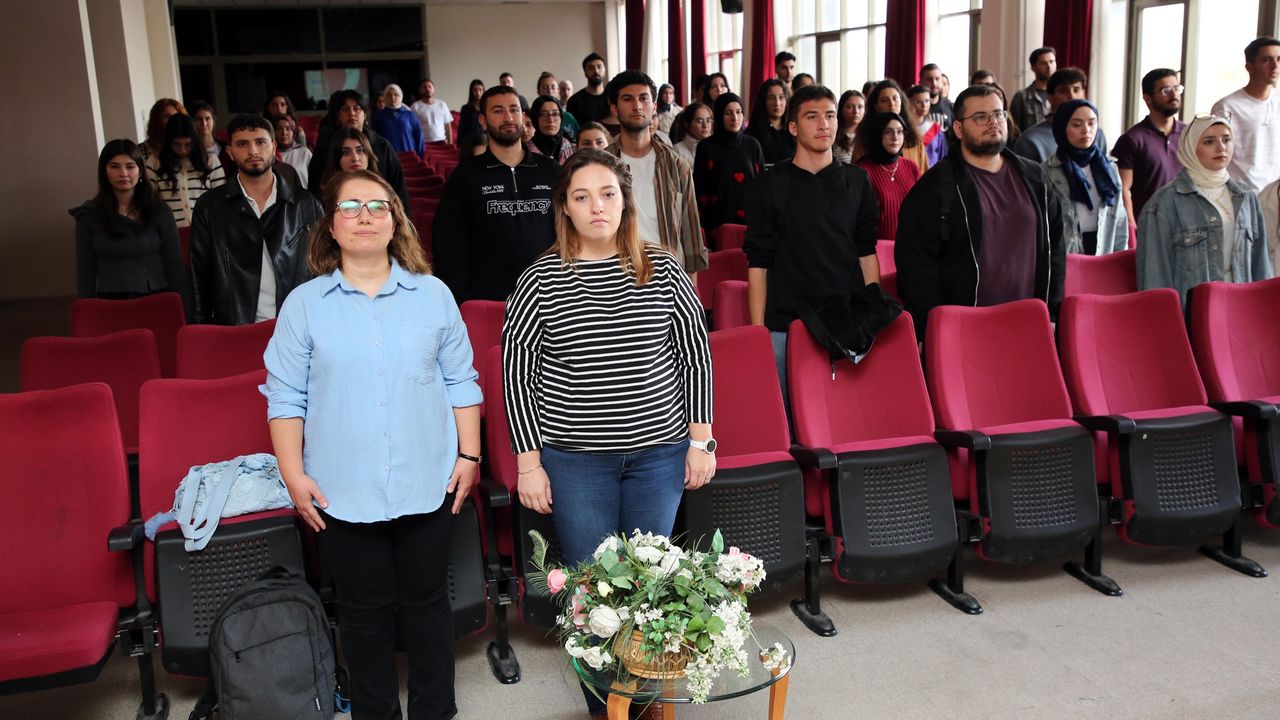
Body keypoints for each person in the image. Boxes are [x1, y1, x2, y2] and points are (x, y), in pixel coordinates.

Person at [501, 150, 714, 720]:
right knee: (593, 591)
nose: (597, 206)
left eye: (608, 194)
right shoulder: (540, 278)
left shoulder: (663, 267)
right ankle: (606, 709)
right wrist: (529, 464)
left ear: (625, 202)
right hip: (576, 463)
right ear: (565, 209)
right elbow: (517, 375)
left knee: (650, 585)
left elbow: (695, 357)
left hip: (659, 456)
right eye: (582, 196)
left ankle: (644, 702)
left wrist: (701, 442)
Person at [264, 169, 480, 720]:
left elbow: (462, 381)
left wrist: (470, 455)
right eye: (350, 207)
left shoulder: (433, 295)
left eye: (378, 206)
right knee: (362, 614)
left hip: (427, 480)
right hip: (341, 489)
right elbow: (285, 397)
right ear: (331, 226)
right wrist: (293, 475)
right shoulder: (304, 305)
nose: (365, 217)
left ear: (395, 221)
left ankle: (435, 711)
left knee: (428, 606)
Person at [895, 84, 1066, 339]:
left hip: (1029, 322)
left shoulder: (1034, 177)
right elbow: (916, 265)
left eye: (998, 114)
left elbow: (1056, 249)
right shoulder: (935, 187)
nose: (993, 122)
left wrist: (1052, 313)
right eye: (980, 117)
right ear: (958, 129)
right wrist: (929, 328)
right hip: (964, 327)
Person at [745, 84, 880, 402]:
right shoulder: (769, 185)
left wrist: (871, 316)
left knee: (846, 412)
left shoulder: (857, 181)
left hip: (846, 321)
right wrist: (758, 331)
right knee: (788, 415)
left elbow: (867, 254)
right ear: (793, 127)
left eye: (830, 116)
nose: (824, 124)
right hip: (787, 324)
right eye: (812, 116)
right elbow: (758, 264)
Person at [190, 114, 324, 325]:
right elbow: (199, 274)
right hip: (235, 326)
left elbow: (323, 269)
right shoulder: (209, 207)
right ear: (230, 152)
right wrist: (201, 328)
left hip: (296, 324)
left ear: (273, 146)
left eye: (260, 142)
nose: (253, 151)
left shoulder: (305, 204)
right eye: (242, 144)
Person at [432, 86, 559, 303]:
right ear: (483, 121)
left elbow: (572, 234)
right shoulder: (465, 176)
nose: (508, 117)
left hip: (549, 296)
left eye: (514, 110)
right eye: (498, 111)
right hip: (488, 301)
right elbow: (449, 245)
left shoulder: (551, 171)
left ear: (523, 116)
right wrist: (461, 302)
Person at [1138, 115, 1271, 304]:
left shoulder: (1247, 198)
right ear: (1191, 148)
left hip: (1242, 308)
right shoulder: (1163, 204)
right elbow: (1155, 279)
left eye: (1226, 139)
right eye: (1209, 142)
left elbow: (1261, 267)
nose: (1221, 148)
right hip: (1193, 312)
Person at [603, 70, 707, 279]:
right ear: (614, 108)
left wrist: (690, 289)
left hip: (667, 276)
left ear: (654, 106)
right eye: (628, 99)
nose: (637, 106)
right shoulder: (601, 165)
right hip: (615, 275)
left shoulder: (676, 165)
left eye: (644, 98)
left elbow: (691, 237)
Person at [71, 139, 188, 312]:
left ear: (140, 171)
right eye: (114, 166)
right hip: (111, 302)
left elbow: (174, 265)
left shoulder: (159, 211)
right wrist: (88, 312)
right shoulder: (89, 215)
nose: (123, 173)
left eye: (130, 166)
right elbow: (85, 272)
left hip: (157, 297)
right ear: (104, 172)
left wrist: (185, 309)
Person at [1042, 99, 1127, 256]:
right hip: (1064, 255)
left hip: (1103, 250)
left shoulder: (1110, 168)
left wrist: (1120, 257)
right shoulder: (1047, 171)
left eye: (1092, 123)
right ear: (1062, 128)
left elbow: (1119, 221)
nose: (1086, 130)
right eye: (1076, 125)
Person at [307, 90, 410, 210]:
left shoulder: (382, 146)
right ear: (338, 115)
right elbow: (315, 189)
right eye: (345, 109)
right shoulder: (326, 146)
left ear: (365, 114)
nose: (351, 113)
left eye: (356, 109)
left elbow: (398, 189)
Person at [1112, 69, 1186, 230]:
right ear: (1148, 98)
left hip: (1184, 226)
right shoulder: (1131, 139)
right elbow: (1123, 189)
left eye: (1177, 88)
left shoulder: (1189, 135)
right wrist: (1132, 228)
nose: (1174, 94)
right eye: (1166, 90)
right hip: (1147, 228)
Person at [1211, 37, 1280, 192]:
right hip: (1240, 196)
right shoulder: (1226, 106)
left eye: (1279, 59)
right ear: (1250, 66)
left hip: (1275, 198)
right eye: (1267, 60)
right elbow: (1214, 156)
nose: (1275, 66)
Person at [693, 92, 765, 231]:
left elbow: (762, 184)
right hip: (717, 221)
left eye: (738, 112)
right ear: (719, 115)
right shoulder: (706, 147)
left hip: (751, 220)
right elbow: (700, 189)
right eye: (728, 113)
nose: (735, 118)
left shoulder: (752, 145)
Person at [146, 113, 227, 228]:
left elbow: (220, 198)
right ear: (168, 142)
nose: (183, 150)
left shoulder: (210, 160)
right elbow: (149, 198)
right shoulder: (155, 162)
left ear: (195, 141)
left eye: (188, 145)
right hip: (170, 229)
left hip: (206, 228)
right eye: (177, 145)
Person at [1012, 67, 1108, 163]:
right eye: (1064, 91)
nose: (1072, 96)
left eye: (1076, 90)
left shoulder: (1096, 134)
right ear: (1050, 98)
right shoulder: (1030, 141)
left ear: (1084, 94)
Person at [855, 112, 921, 240]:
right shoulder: (862, 171)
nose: (895, 138)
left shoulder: (911, 167)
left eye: (900, 132)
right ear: (877, 135)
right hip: (876, 247)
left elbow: (922, 209)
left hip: (911, 245)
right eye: (888, 132)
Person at [862, 80, 929, 171]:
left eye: (895, 98)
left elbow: (924, 171)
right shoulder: (865, 137)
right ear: (876, 106)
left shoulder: (913, 137)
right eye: (884, 100)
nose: (891, 104)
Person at [746, 79, 796, 166]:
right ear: (763, 101)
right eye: (771, 98)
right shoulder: (753, 134)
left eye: (781, 97)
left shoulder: (794, 130)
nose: (777, 103)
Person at [1009, 47, 1056, 132]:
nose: (1049, 66)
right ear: (1033, 67)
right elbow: (1014, 130)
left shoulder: (1061, 94)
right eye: (1043, 63)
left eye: (1051, 62)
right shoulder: (1021, 97)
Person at [371, 84, 425, 157]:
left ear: (401, 96)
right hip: (387, 156)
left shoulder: (410, 115)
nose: (392, 97)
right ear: (385, 97)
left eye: (396, 94)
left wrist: (420, 155)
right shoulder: (378, 115)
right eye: (389, 95)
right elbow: (374, 138)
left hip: (409, 155)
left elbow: (418, 136)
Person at [906, 84, 948, 167]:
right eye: (919, 102)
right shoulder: (904, 129)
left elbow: (942, 156)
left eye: (927, 101)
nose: (924, 105)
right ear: (909, 102)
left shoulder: (935, 129)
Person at [529, 96, 574, 165]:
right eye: (544, 114)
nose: (551, 120)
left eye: (555, 114)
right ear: (535, 119)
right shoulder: (526, 151)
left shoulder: (571, 148)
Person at [567, 53, 611, 123]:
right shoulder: (574, 101)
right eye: (591, 68)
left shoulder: (612, 97)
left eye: (599, 67)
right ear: (585, 73)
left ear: (605, 71)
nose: (596, 71)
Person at [274, 114, 313, 189]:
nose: (284, 133)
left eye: (288, 129)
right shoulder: (271, 154)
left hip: (303, 194)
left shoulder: (304, 153)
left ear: (294, 131)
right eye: (279, 129)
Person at [412, 79, 454, 145]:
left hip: (442, 141)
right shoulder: (415, 106)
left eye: (429, 87)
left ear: (434, 89)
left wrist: (450, 143)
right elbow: (413, 128)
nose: (427, 89)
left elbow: (448, 126)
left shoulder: (442, 104)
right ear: (420, 91)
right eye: (424, 87)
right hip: (424, 143)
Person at [671, 102, 712, 166]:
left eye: (708, 121)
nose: (705, 126)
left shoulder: (717, 146)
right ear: (687, 124)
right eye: (699, 121)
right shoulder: (678, 150)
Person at [540, 72, 579, 138]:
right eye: (545, 87)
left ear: (558, 91)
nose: (549, 91)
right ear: (538, 91)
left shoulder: (568, 117)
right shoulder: (533, 117)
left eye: (553, 87)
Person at [833, 90, 865, 164]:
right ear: (841, 109)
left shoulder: (867, 135)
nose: (856, 111)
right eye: (849, 107)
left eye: (860, 107)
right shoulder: (833, 134)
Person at [188, 101, 224, 166]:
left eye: (207, 118)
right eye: (199, 119)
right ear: (192, 122)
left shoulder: (227, 149)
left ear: (213, 121)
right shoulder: (188, 151)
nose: (204, 123)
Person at [920, 63, 954, 128]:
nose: (934, 83)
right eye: (929, 80)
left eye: (937, 79)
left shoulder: (951, 107)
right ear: (921, 82)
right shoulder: (914, 108)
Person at [457, 79, 486, 143]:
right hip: (469, 141)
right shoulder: (465, 108)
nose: (478, 93)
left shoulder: (487, 107)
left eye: (480, 90)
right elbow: (461, 128)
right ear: (471, 92)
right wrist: (460, 144)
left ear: (483, 91)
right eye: (475, 90)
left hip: (484, 140)